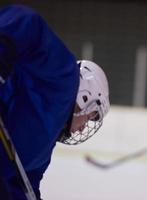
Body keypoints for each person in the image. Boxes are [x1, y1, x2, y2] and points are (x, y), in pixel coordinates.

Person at [0, 4, 110, 199]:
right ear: (85, 96)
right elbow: (27, 21)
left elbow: (24, 186)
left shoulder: (45, 150)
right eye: (90, 116)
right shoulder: (64, 78)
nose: (83, 127)